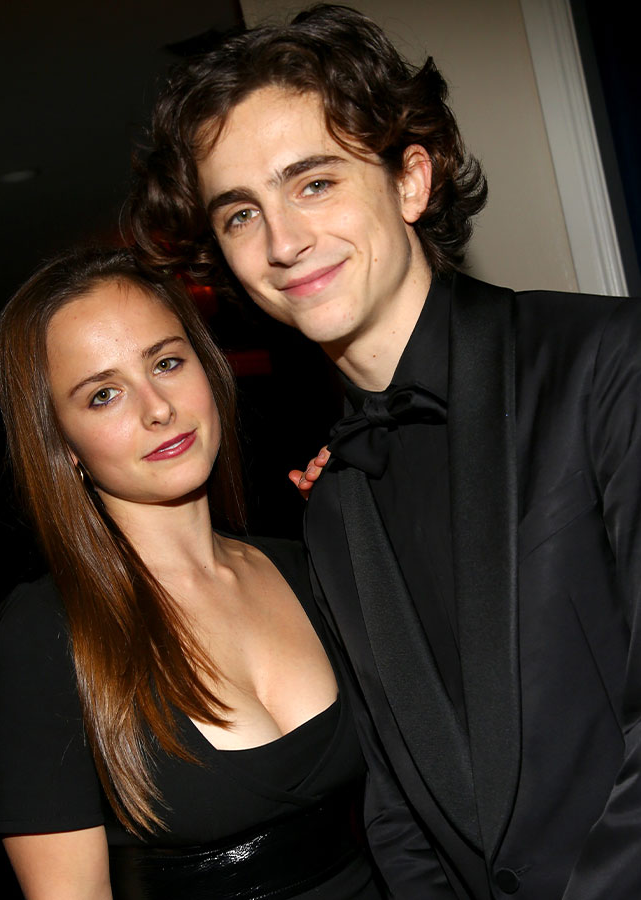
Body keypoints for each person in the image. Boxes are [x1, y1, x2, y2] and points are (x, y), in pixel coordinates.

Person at [126, 4, 641, 899]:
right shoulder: (331, 499)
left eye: (313, 182)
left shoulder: (605, 361)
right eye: (241, 214)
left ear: (410, 180)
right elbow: (400, 799)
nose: (283, 242)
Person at [0, 246, 385, 900]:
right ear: (64, 446)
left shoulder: (312, 564)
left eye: (167, 362)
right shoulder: (46, 635)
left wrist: (375, 519)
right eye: (104, 394)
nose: (158, 408)